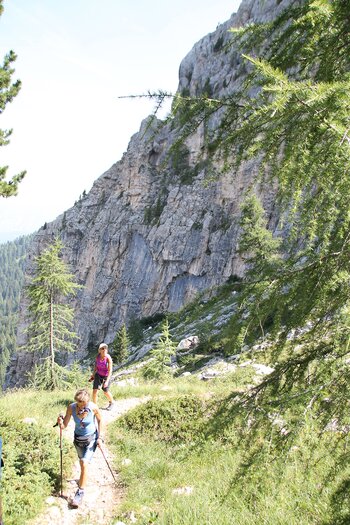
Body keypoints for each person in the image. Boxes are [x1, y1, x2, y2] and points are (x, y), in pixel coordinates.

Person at [57, 388, 103, 507]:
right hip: (78, 440)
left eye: (84, 403)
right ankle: (83, 478)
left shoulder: (93, 407)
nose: (82, 406)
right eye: (79, 403)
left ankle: (80, 492)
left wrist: (99, 437)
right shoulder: (71, 408)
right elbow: (64, 426)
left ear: (87, 401)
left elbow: (100, 420)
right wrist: (60, 422)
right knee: (81, 461)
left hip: (91, 439)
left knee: (84, 463)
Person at [90, 343, 115, 410]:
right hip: (98, 374)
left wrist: (106, 381)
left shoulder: (108, 358)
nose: (104, 350)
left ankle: (112, 402)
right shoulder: (97, 357)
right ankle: (95, 407)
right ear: (99, 350)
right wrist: (93, 375)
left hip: (106, 376)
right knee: (95, 391)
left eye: (105, 348)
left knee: (105, 391)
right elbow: (96, 367)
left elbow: (110, 371)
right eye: (102, 348)